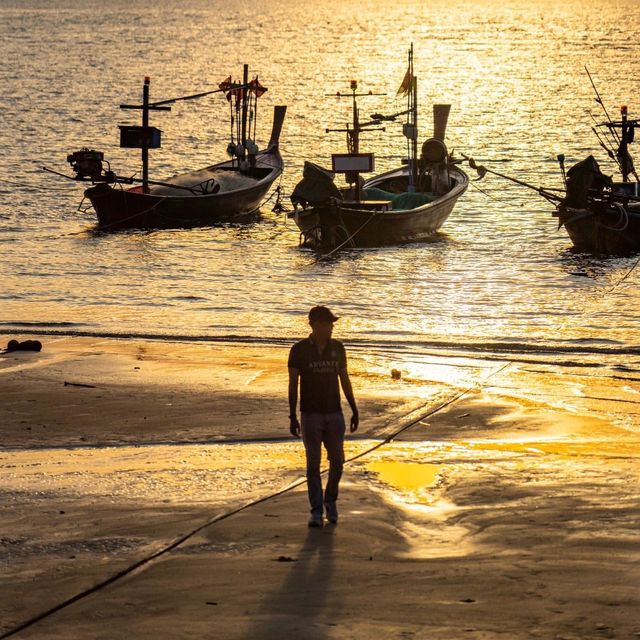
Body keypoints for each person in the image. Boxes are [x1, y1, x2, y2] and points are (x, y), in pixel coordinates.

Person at [288, 306, 359, 527]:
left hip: (334, 413)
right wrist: (292, 415)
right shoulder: (299, 350)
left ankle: (331, 500)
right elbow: (293, 384)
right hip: (310, 414)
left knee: (337, 461)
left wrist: (354, 409)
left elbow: (344, 379)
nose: (330, 328)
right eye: (326, 324)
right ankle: (316, 511)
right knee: (313, 464)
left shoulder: (338, 348)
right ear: (313, 325)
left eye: (331, 324)